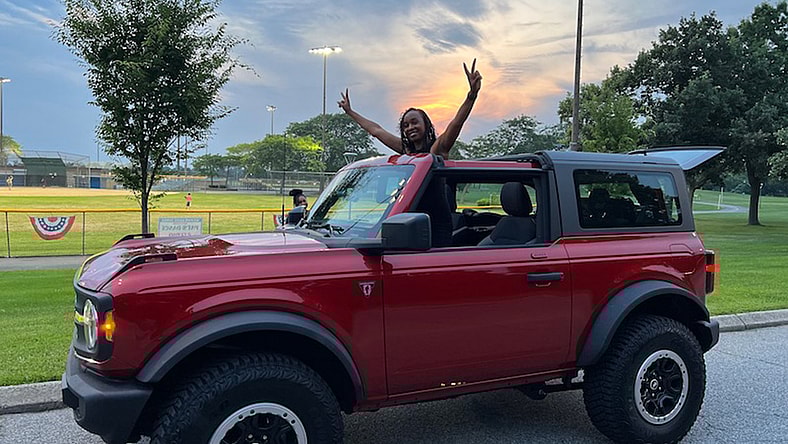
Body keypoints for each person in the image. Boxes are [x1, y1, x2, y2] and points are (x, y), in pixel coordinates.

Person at [338, 59, 482, 160]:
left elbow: (456, 123)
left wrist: (472, 95)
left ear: (426, 125)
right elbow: (376, 131)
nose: (410, 128)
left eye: (414, 122)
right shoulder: (406, 150)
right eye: (405, 125)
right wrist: (350, 112)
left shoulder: (437, 148)